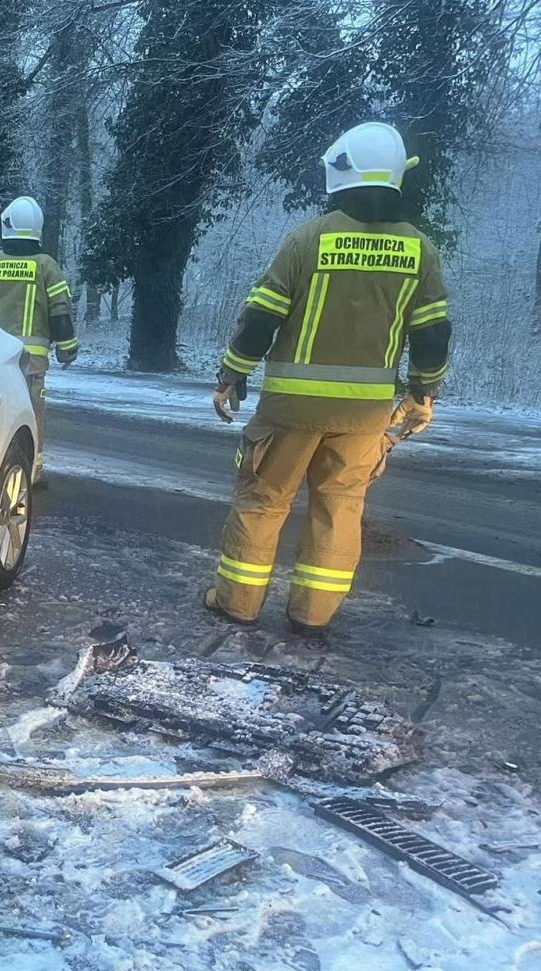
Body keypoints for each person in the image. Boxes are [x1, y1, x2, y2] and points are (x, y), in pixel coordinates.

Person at [204, 121, 451, 634]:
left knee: (262, 501)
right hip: (364, 417)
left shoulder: (308, 239)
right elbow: (433, 334)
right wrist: (423, 392)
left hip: (290, 410)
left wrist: (232, 373)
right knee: (340, 509)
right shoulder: (420, 250)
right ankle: (312, 615)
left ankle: (237, 604)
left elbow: (260, 319)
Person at [0, 196, 77, 481]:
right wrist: (67, 349)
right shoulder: (46, 266)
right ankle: (30, 473)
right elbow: (60, 311)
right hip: (30, 362)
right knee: (30, 414)